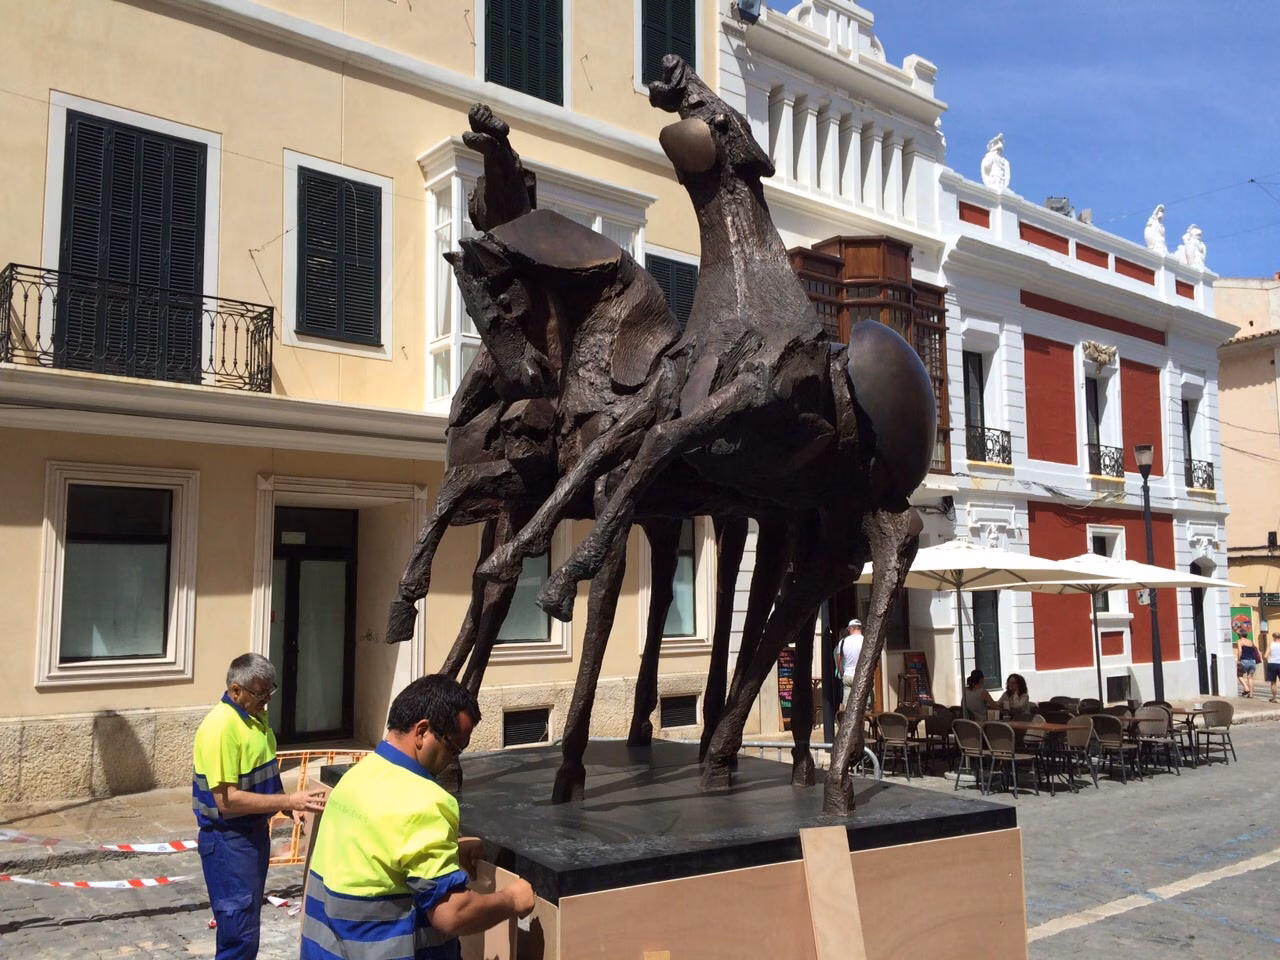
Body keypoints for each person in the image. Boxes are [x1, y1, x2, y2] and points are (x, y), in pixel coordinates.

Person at [301, 674, 535, 959]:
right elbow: (452, 915)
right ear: (422, 731)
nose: (454, 757)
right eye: (453, 747)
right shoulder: (426, 801)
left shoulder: (355, 778)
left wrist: (447, 851)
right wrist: (511, 900)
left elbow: (376, 854)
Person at [192, 653, 327, 960]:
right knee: (238, 936)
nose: (267, 699)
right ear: (235, 690)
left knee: (246, 930)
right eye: (259, 693)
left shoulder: (254, 721)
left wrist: (288, 808)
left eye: (270, 690)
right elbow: (227, 800)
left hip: (251, 837)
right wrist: (287, 800)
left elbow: (262, 778)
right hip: (229, 842)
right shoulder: (222, 727)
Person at [836, 619, 866, 706]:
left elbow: (839, 658)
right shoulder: (865, 641)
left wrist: (842, 672)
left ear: (851, 629)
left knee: (846, 702)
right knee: (864, 703)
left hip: (848, 675)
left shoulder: (843, 641)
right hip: (861, 675)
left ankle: (844, 718)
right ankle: (867, 719)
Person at [1238, 634, 1262, 698]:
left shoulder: (1240, 641)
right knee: (1250, 677)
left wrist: (1238, 660)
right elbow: (1257, 650)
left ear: (1240, 635)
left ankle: (1246, 688)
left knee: (1239, 675)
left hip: (1244, 660)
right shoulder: (1251, 641)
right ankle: (1251, 694)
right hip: (1252, 661)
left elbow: (1240, 651)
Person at [1265, 631, 1280, 703]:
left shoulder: (1271, 644)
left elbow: (1265, 655)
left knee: (1273, 682)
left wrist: (1267, 662)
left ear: (1273, 637)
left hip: (1272, 664)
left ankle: (1274, 698)